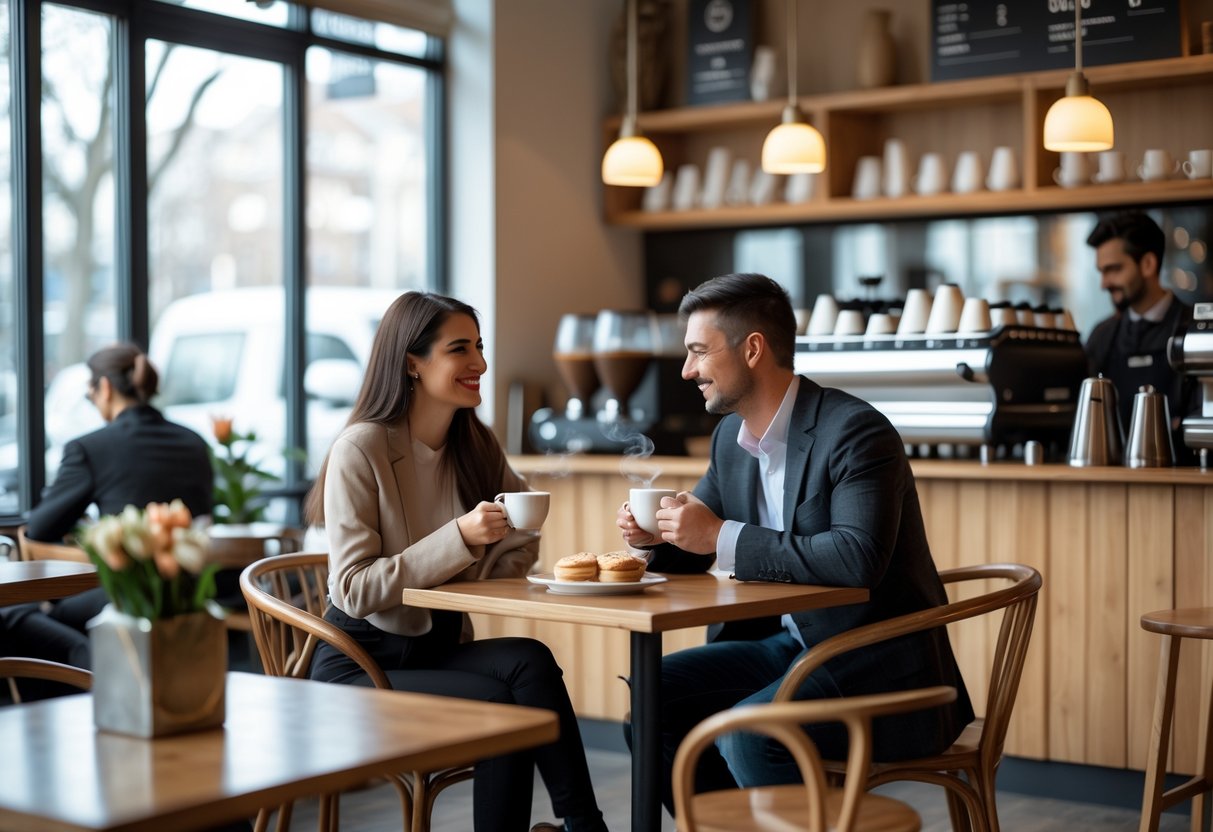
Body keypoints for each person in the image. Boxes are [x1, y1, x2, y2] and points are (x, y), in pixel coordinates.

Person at [615, 273, 974, 814]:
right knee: (651, 700)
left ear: (753, 349)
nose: (687, 371)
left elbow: (856, 559)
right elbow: (701, 540)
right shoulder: (730, 440)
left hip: (877, 658)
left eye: (698, 352)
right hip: (789, 649)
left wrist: (718, 534)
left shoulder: (855, 431)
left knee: (751, 734)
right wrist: (653, 539)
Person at [306, 291, 607, 832]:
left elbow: (521, 537)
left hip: (433, 648)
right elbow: (351, 587)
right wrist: (460, 539)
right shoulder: (362, 448)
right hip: (361, 663)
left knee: (530, 660)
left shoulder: (474, 443)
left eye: (480, 347)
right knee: (501, 706)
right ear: (411, 363)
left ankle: (584, 825)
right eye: (459, 349)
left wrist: (473, 568)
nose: (481, 364)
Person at [1, 343, 214, 684]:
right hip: (190, 593)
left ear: (105, 388)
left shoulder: (89, 448)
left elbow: (40, 528)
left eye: (90, 396)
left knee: (13, 613)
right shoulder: (194, 442)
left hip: (123, 594)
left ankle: (89, 668)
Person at [1084, 210, 1198, 464]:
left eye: (1113, 269)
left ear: (1148, 264)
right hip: (1111, 487)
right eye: (1101, 272)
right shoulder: (1101, 336)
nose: (1104, 283)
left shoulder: (1197, 332)